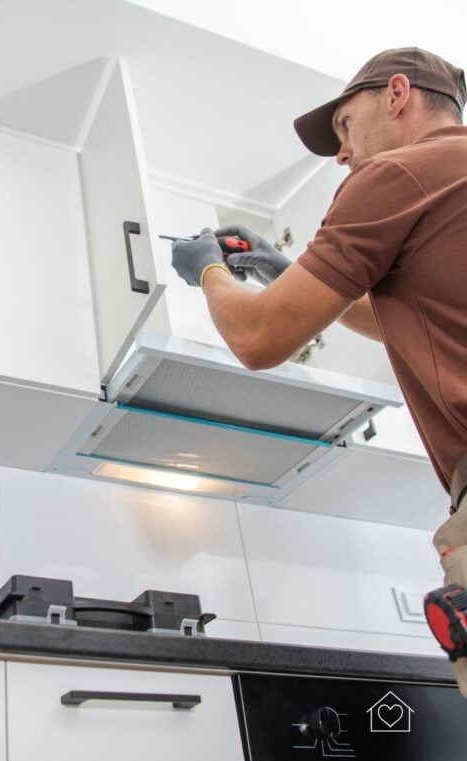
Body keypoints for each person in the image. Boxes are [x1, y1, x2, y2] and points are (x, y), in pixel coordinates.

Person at [171, 47, 467, 691]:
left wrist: (207, 271)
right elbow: (404, 310)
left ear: (396, 95)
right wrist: (286, 271)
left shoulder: (399, 174)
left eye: (344, 125)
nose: (341, 153)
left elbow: (257, 337)